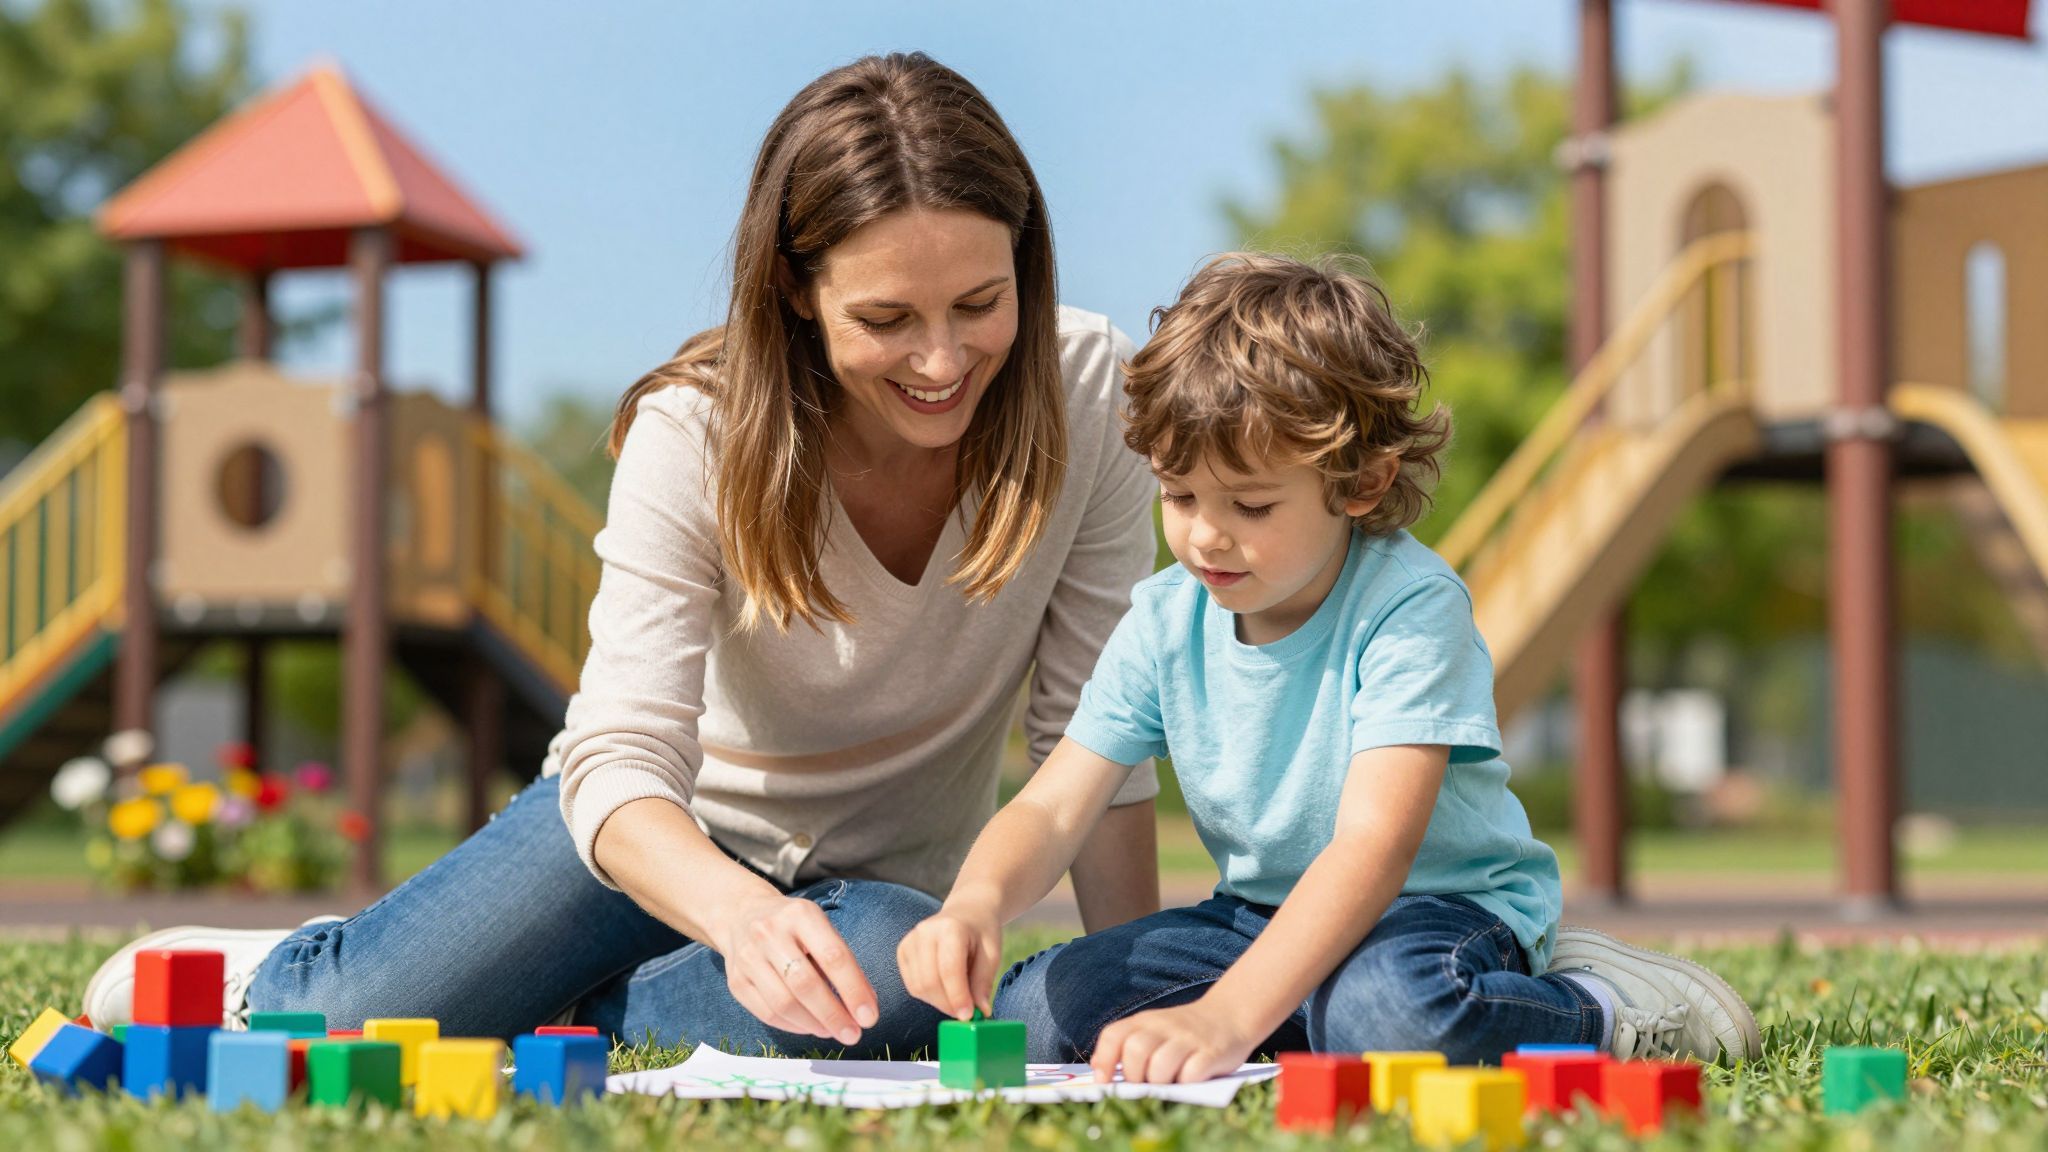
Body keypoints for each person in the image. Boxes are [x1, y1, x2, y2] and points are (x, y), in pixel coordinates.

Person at [80, 52, 1164, 1055]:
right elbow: (619, 757)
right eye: (886, 317)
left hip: (864, 893)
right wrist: (738, 914)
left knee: (894, 983)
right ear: (793, 288)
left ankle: (541, 1000)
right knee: (346, 1023)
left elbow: (1093, 734)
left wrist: (1135, 991)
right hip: (642, 842)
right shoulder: (694, 427)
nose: (941, 359)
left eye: (979, 303)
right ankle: (283, 968)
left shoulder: (1087, 395)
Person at [896, 253, 1762, 1082]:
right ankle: (1307, 1014)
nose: (1204, 534)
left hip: (1437, 914)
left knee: (1392, 1016)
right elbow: (1053, 806)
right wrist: (975, 902)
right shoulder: (1166, 618)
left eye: (1252, 503)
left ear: (1361, 484)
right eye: (1180, 494)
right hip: (1258, 918)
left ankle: (1603, 1008)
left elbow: (1372, 849)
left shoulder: (1410, 607)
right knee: (1043, 1011)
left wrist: (1228, 1016)